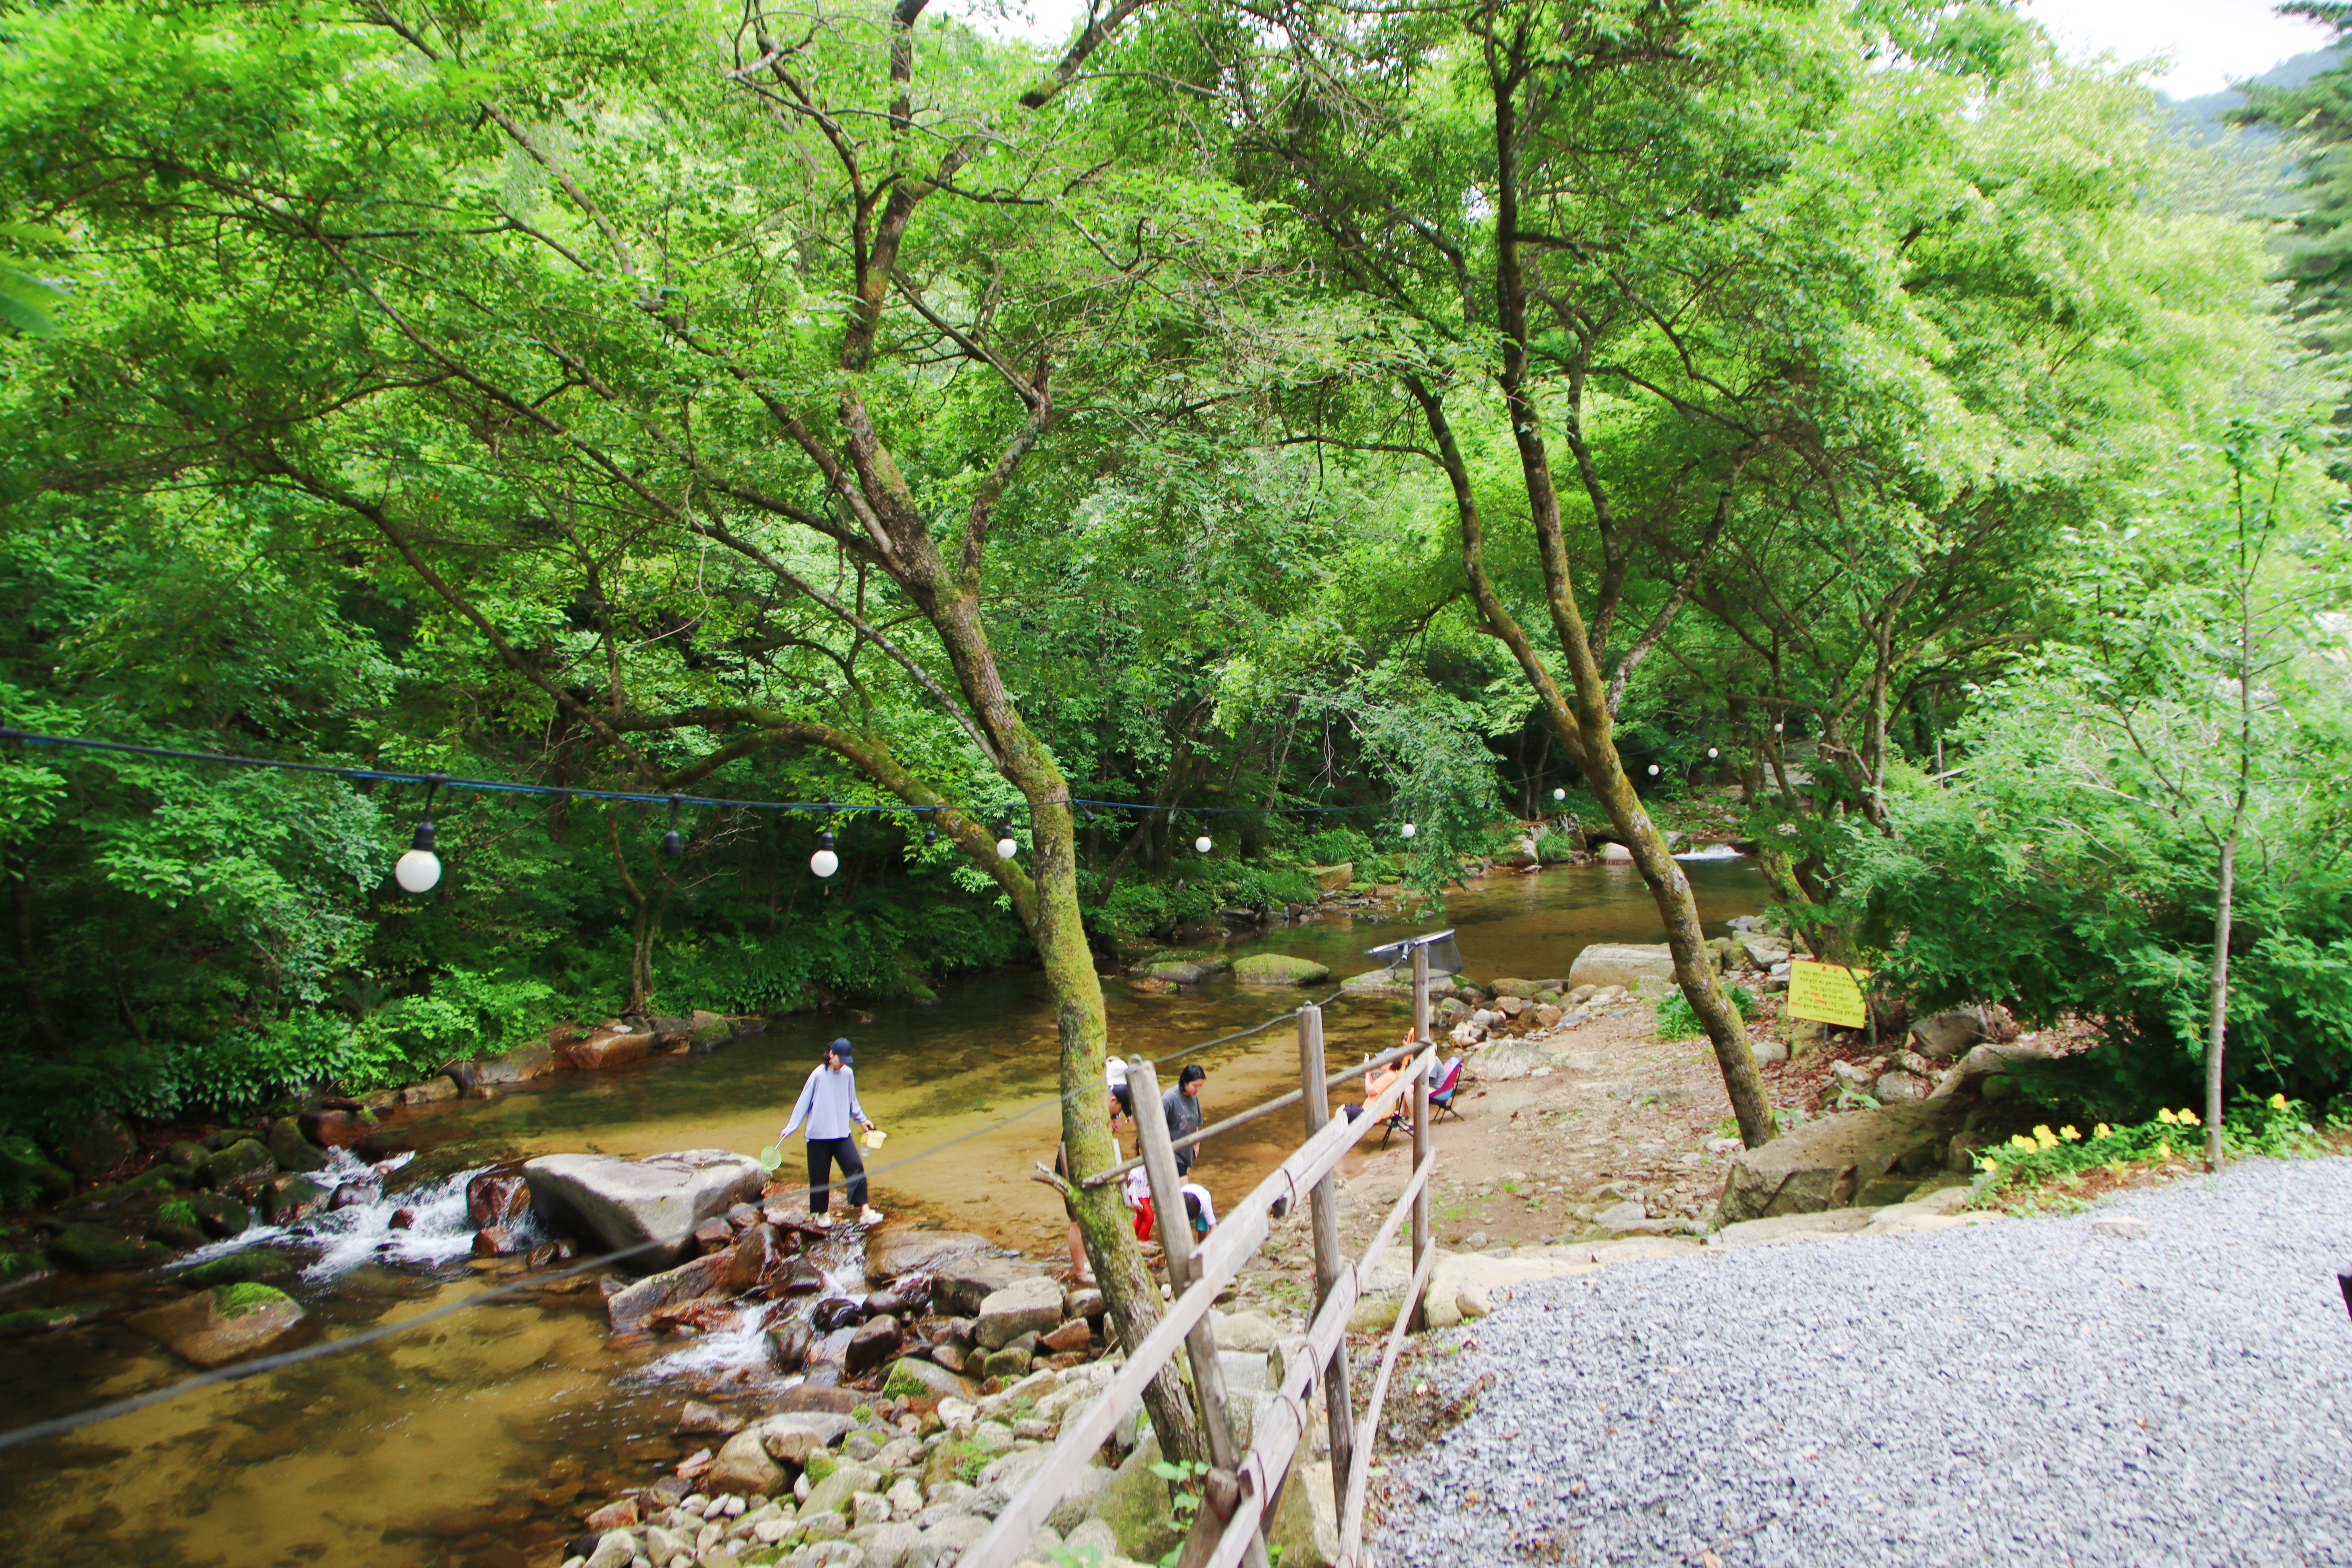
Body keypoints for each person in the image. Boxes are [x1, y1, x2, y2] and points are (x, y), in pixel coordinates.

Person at [779, 1037, 881, 1228]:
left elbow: (853, 1101)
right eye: (839, 1059)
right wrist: (791, 1128)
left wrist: (862, 1119)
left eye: (845, 1060)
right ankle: (821, 1214)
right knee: (820, 1177)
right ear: (831, 1055)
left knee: (856, 1168)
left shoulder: (848, 1074)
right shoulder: (818, 1075)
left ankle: (865, 1212)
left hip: (841, 1134)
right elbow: (803, 1103)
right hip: (818, 1137)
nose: (842, 1063)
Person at [1163, 1062, 1206, 1176]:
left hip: (1186, 1151)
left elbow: (1196, 1123)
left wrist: (1196, 1145)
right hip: (1172, 1151)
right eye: (1195, 1086)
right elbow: (1154, 1124)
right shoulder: (1169, 1099)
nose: (1198, 1089)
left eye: (1200, 1086)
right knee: (1183, 1184)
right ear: (1185, 1082)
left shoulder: (1194, 1098)